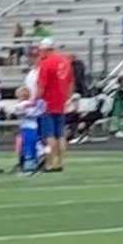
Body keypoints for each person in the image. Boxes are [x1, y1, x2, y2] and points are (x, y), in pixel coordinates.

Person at [34, 36, 74, 169]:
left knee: (49, 136)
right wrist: (67, 98)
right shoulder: (65, 61)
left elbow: (41, 85)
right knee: (61, 135)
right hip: (60, 102)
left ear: (44, 50)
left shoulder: (45, 64)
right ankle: (60, 162)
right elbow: (70, 83)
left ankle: (49, 163)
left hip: (47, 103)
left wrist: (34, 100)